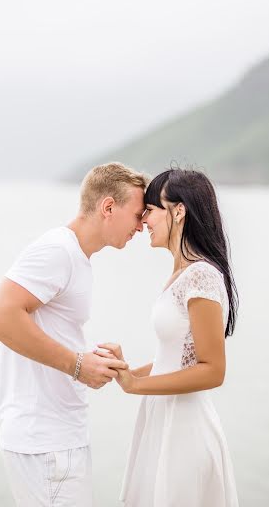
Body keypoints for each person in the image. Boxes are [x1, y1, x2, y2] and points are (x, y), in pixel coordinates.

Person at [0, 162, 148, 507]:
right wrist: (77, 365)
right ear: (107, 207)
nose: (142, 226)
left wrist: (89, 360)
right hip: (46, 445)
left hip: (57, 440)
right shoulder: (59, 251)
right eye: (137, 214)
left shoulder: (75, 257)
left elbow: (33, 325)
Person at [97, 167, 239, 506]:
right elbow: (175, 357)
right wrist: (127, 371)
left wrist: (136, 386)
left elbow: (212, 369)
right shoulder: (182, 273)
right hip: (163, 419)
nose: (144, 219)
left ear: (179, 211)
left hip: (185, 429)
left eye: (151, 209)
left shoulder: (201, 275)